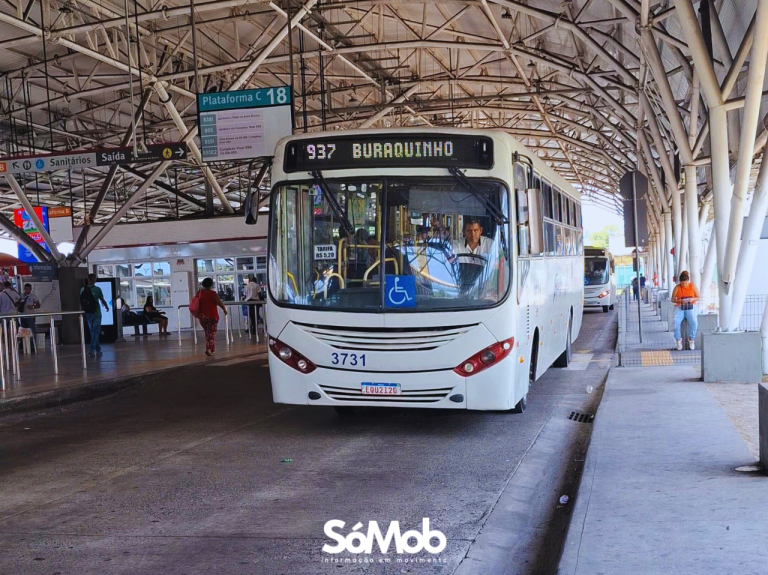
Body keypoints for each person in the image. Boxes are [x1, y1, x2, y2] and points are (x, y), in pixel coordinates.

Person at [81, 274, 109, 357]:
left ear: (88, 279)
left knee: (93, 332)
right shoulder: (97, 289)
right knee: (96, 331)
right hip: (96, 313)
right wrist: (106, 306)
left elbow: (81, 302)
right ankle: (91, 349)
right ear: (94, 280)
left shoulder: (82, 289)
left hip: (88, 313)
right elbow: (102, 300)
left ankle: (98, 349)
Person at [198, 277, 227, 356]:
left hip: (202, 317)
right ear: (211, 284)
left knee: (208, 333)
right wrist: (224, 309)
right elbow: (219, 303)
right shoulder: (213, 293)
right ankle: (209, 349)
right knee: (211, 333)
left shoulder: (199, 293)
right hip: (212, 316)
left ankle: (211, 349)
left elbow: (195, 303)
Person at [671, 270, 699, 351]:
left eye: (686, 283)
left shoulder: (692, 286)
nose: (684, 285)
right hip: (680, 306)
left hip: (691, 306)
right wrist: (679, 301)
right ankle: (678, 339)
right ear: (680, 282)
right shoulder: (677, 287)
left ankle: (691, 338)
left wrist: (692, 299)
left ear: (688, 281)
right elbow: (672, 299)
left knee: (694, 321)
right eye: (682, 283)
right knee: (675, 321)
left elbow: (698, 296)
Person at [19, 283, 40, 353]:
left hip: (30, 316)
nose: (28, 291)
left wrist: (32, 307)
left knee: (31, 331)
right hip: (23, 316)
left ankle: (32, 346)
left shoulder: (33, 296)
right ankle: (23, 346)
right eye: (26, 289)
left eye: (29, 289)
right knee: (23, 331)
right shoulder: (21, 296)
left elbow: (38, 305)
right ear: (24, 289)